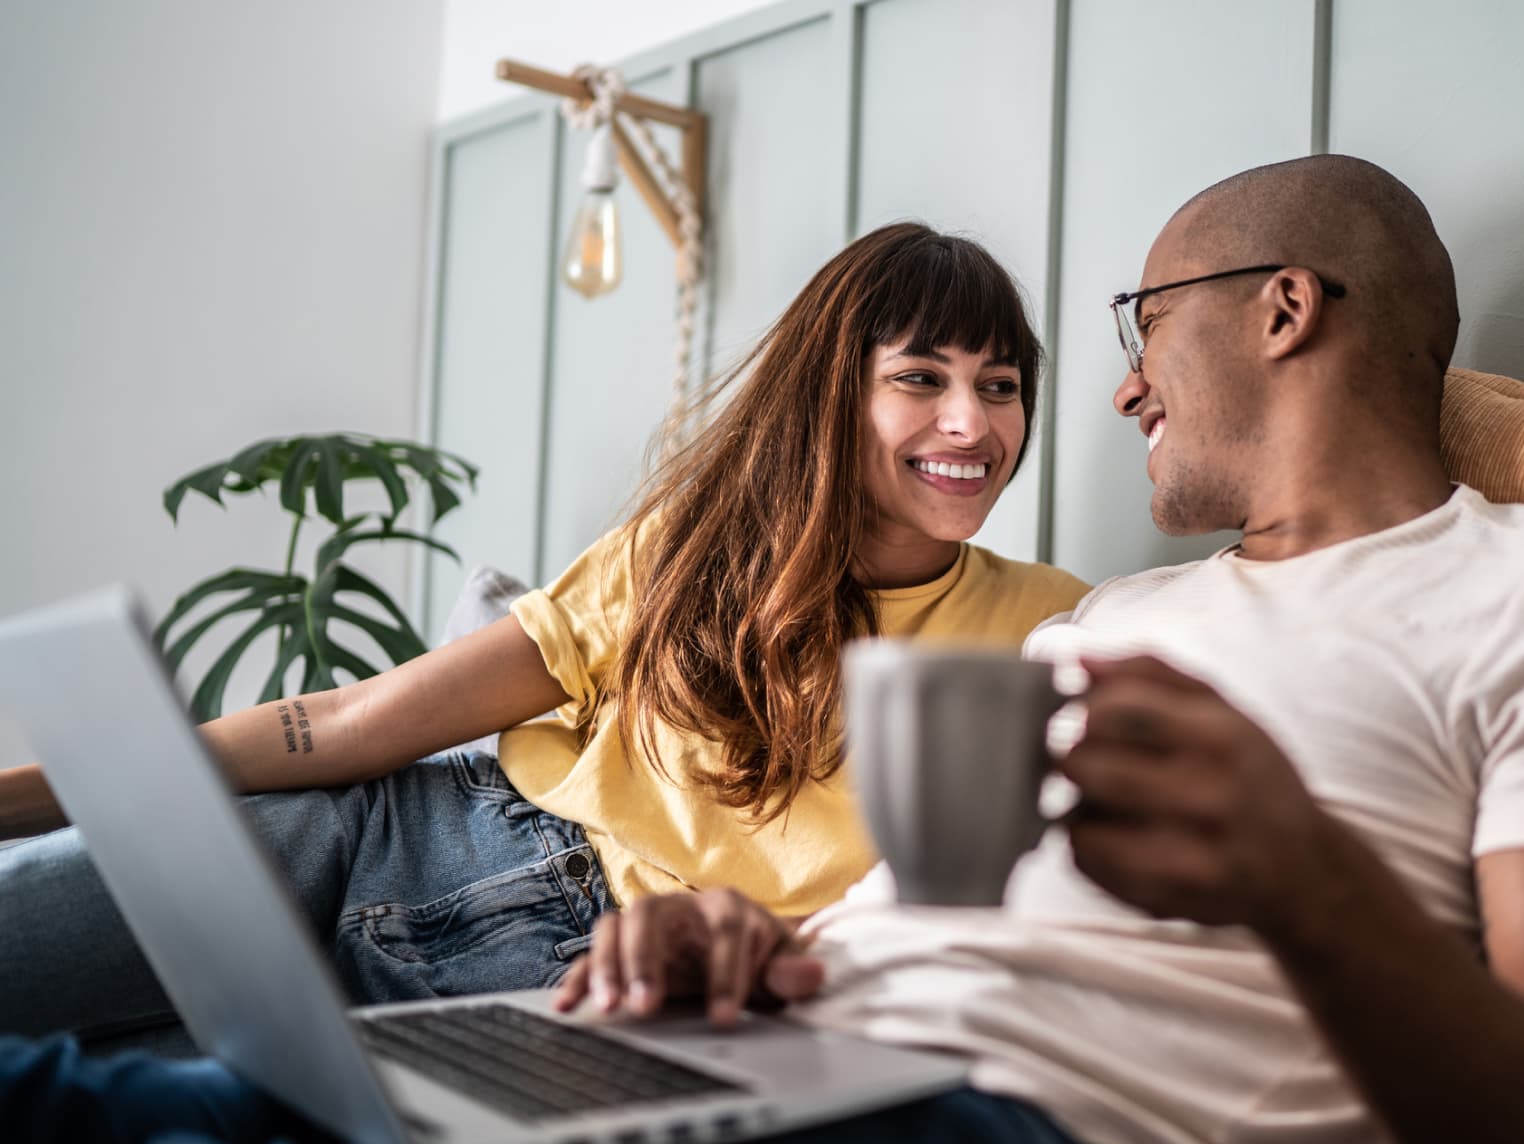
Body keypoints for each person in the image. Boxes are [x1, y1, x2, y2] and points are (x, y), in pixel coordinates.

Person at [0, 155, 1524, 1144]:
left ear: (1284, 307)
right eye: (929, 377)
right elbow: (916, 894)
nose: (1117, 386)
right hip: (724, 1028)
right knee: (118, 1101)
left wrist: (1303, 880)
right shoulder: (1127, 620)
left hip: (985, 1114)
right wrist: (738, 934)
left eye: (1136, 327)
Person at [0, 222, 1090, 1048]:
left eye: (1001, 387)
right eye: (921, 378)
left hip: (605, 978)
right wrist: (36, 793)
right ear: (828, 398)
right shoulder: (692, 552)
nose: (975, 425)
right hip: (409, 835)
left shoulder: (1055, 624)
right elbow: (352, 720)